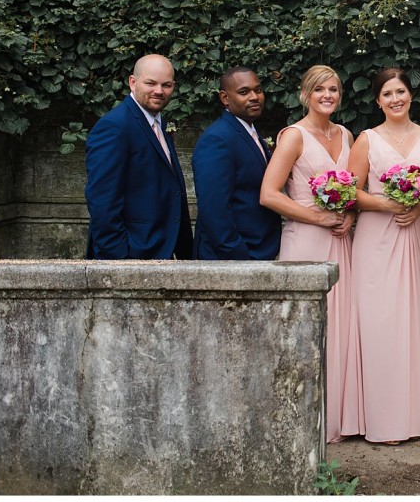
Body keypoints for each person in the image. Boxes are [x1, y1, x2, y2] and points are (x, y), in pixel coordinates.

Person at [259, 64, 361, 443]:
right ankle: (300, 418)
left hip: (340, 242)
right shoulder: (293, 137)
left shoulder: (346, 134)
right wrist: (319, 217)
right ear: (305, 94)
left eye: (333, 89)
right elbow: (269, 194)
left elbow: (351, 189)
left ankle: (337, 416)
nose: (327, 96)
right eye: (319, 90)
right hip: (305, 239)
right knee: (306, 328)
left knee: (341, 324)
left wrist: (349, 213)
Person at [348, 67, 420, 444]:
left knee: (416, 319)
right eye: (387, 94)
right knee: (380, 322)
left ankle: (417, 414)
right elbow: (352, 193)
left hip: (416, 236)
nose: (395, 99)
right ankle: (383, 418)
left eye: (400, 91)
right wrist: (389, 205)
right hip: (378, 240)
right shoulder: (366, 140)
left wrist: (419, 206)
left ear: (410, 95)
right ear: (378, 101)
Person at [85, 53, 193, 259]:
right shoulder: (115, 126)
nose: (159, 91)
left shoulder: (157, 121)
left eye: (167, 85)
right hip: (131, 255)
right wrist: (119, 259)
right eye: (151, 83)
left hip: (159, 251)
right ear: (132, 82)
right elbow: (102, 200)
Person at [192, 66, 280, 260]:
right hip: (231, 257)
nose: (254, 97)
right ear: (225, 98)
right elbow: (214, 207)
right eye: (244, 92)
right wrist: (238, 255)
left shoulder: (249, 132)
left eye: (258, 90)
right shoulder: (217, 139)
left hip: (259, 249)